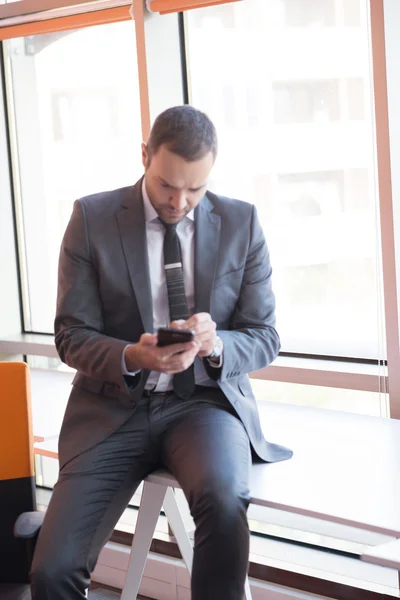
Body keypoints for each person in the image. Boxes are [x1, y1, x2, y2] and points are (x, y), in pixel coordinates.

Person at [30, 105, 293, 600]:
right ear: (145, 155)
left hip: (203, 406)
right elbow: (71, 334)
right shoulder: (92, 218)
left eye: (195, 188)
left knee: (225, 498)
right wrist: (134, 355)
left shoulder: (241, 222)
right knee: (52, 569)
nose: (180, 201)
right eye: (168, 185)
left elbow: (264, 335)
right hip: (112, 407)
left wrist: (216, 344)